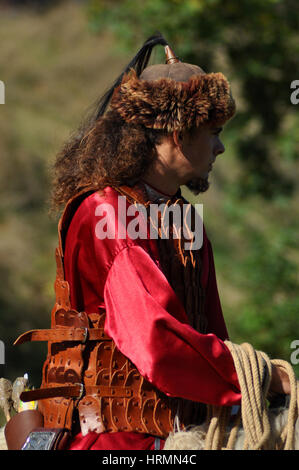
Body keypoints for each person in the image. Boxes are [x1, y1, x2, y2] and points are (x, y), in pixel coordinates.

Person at [15, 33, 290, 451]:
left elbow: (212, 333)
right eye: (213, 132)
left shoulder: (184, 222)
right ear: (179, 134)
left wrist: (249, 385)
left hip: (184, 430)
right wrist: (256, 375)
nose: (220, 146)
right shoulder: (104, 212)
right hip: (111, 440)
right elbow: (156, 341)